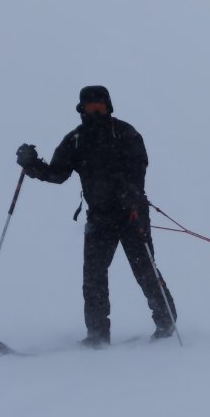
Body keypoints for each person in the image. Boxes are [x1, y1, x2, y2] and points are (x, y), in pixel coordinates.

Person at [15, 85, 177, 348]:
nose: (95, 112)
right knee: (93, 276)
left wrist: (131, 192)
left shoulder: (126, 132)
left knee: (144, 269)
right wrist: (32, 165)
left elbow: (140, 165)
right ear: (81, 110)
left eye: (99, 107)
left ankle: (166, 322)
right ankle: (98, 335)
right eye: (90, 108)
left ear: (108, 107)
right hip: (100, 218)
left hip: (133, 213)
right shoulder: (76, 139)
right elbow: (57, 174)